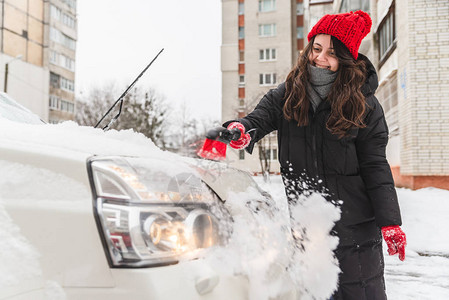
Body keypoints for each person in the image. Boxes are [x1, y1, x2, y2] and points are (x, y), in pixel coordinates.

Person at [218, 10, 406, 300]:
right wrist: (242, 128)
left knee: (360, 292)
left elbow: (375, 166)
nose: (319, 58)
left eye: (331, 53)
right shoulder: (288, 94)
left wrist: (390, 222)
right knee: (314, 293)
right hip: (308, 223)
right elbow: (259, 118)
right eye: (316, 49)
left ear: (347, 57)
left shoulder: (365, 104)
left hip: (355, 227)